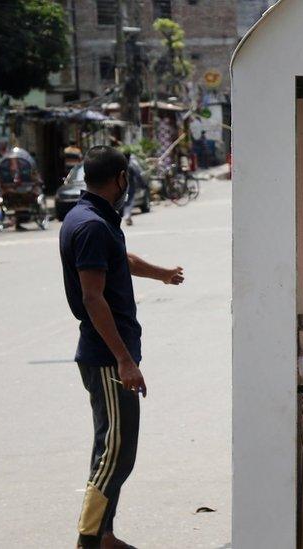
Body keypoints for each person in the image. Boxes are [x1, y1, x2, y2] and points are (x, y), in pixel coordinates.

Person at [59, 146, 185, 549]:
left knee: (109, 448)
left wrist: (161, 274)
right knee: (117, 453)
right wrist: (125, 360)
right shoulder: (92, 225)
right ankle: (89, 539)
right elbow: (93, 297)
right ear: (120, 178)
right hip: (106, 356)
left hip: (107, 354)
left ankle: (104, 533)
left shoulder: (94, 218)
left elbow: (120, 260)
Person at [121, 153, 145, 226]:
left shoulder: (119, 167)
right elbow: (138, 176)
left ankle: (127, 216)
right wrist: (142, 185)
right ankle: (127, 215)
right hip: (130, 188)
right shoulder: (131, 166)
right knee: (129, 202)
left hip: (122, 188)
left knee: (124, 202)